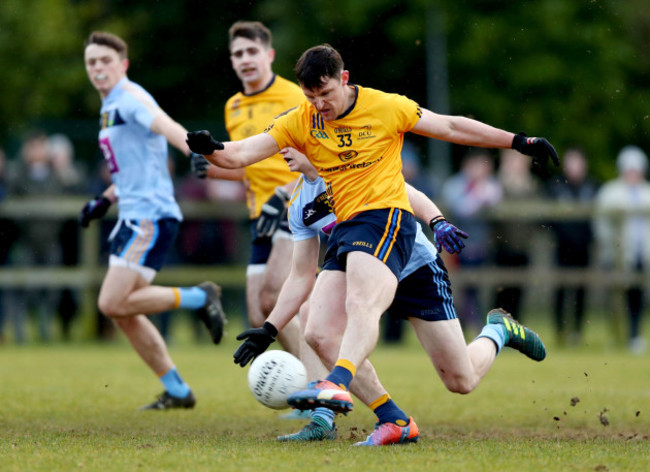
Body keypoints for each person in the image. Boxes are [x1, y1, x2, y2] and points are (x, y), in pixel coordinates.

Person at [187, 43, 558, 421]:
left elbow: (449, 126)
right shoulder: (301, 147)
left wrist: (517, 141)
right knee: (320, 332)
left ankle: (342, 380)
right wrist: (211, 149)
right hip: (355, 237)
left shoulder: (385, 106)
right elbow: (240, 154)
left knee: (440, 365)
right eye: (310, 97)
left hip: (398, 241)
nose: (319, 105)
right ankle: (396, 415)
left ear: (344, 79)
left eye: (326, 94)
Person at [233, 149, 546, 445]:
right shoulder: (300, 205)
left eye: (293, 143)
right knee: (318, 331)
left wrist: (437, 221)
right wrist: (269, 328)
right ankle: (384, 419)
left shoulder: (353, 168)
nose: (284, 151)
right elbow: (301, 275)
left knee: (460, 380)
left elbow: (412, 194)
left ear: (312, 145)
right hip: (357, 266)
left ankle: (498, 330)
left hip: (414, 269)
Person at [81, 31, 226, 410]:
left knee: (112, 303)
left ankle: (200, 297)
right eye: (92, 62)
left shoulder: (129, 98)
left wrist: (193, 148)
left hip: (147, 218)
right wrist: (105, 199)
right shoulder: (110, 104)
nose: (98, 68)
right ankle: (178, 390)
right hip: (134, 214)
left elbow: (164, 124)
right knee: (126, 312)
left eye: (105, 61)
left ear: (123, 64)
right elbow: (133, 166)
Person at [191, 21, 304, 355]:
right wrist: (213, 169)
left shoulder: (295, 97)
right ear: (231, 61)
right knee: (258, 312)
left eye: (252, 51)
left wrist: (283, 193)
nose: (245, 58)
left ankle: (321, 384)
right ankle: (308, 382)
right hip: (261, 213)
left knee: (273, 298)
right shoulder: (233, 106)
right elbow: (247, 167)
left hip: (295, 205)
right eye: (238, 53)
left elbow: (319, 163)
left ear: (269, 55)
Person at [594, 145, 650, 354]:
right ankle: (616, 335)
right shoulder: (611, 192)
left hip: (641, 254)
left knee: (636, 296)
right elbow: (601, 224)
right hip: (617, 254)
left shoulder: (647, 192)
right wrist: (610, 247)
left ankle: (634, 335)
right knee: (616, 297)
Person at [442, 149, 502, 333]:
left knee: (478, 288)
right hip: (457, 248)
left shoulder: (491, 185)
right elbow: (461, 209)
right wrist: (478, 197)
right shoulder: (454, 185)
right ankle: (462, 324)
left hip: (483, 246)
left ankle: (476, 323)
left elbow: (496, 199)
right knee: (460, 288)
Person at [546, 147, 599, 346]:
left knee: (581, 291)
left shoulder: (592, 187)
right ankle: (560, 330)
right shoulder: (556, 187)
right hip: (562, 247)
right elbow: (548, 217)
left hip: (583, 247)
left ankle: (577, 331)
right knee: (560, 289)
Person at [492, 148, 541, 320]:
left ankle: (515, 325)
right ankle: (497, 326)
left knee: (519, 290)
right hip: (502, 246)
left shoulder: (531, 185)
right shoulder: (498, 184)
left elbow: (536, 214)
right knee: (500, 289)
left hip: (523, 246)